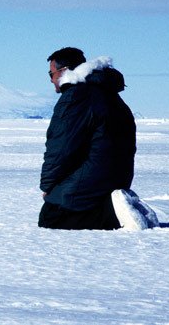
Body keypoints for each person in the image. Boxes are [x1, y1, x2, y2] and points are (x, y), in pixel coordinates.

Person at [39, 47, 136, 230]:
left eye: (51, 74)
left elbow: (60, 147)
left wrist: (48, 187)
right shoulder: (110, 95)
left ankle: (114, 216)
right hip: (119, 177)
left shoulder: (76, 96)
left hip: (95, 175)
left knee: (50, 216)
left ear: (64, 71)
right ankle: (118, 207)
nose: (51, 80)